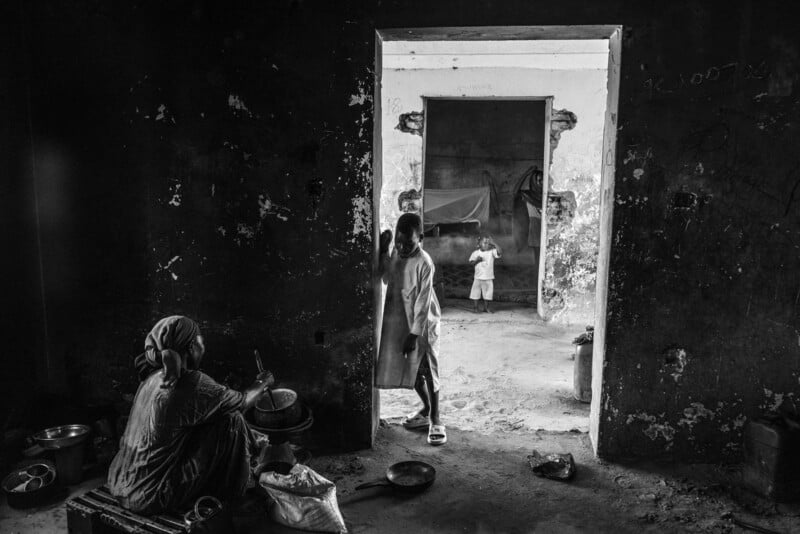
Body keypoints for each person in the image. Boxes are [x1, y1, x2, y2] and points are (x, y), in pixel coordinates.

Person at [109, 316, 274, 514]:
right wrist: (263, 382)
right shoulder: (191, 382)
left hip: (119, 483)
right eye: (200, 341)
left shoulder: (151, 378)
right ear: (190, 347)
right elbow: (243, 401)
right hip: (151, 495)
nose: (203, 346)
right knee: (232, 420)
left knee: (214, 419)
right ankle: (232, 498)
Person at [376, 213, 446, 446]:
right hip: (402, 321)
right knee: (411, 370)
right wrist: (385, 251)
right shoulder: (397, 252)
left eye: (409, 243)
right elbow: (386, 278)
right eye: (399, 242)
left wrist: (414, 334)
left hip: (423, 324)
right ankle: (425, 408)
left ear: (421, 238)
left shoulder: (424, 263)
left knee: (427, 369)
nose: (403, 247)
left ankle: (436, 419)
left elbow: (423, 302)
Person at [469, 235, 502, 313]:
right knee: (475, 293)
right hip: (478, 277)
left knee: (488, 294)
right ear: (479, 243)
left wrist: (494, 243)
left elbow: (500, 252)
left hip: (488, 277)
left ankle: (486, 308)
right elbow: (471, 263)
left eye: (488, 243)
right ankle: (475, 308)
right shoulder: (475, 253)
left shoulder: (492, 252)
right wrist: (477, 260)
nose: (487, 244)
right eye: (484, 243)